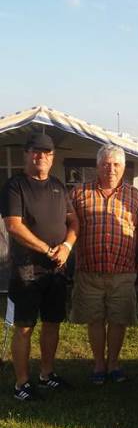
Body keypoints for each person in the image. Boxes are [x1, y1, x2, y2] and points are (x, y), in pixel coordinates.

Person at [0, 132, 79, 401]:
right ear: (26, 154)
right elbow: (14, 225)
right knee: (24, 327)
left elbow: (74, 221)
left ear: (52, 157)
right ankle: (21, 384)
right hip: (27, 269)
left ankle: (47, 374)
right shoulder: (15, 186)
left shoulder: (58, 186)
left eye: (47, 152)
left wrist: (66, 246)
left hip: (56, 269)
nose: (41, 156)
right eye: (36, 151)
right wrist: (46, 249)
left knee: (52, 323)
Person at [70, 144, 138, 384]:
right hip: (89, 271)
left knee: (118, 319)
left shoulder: (134, 195)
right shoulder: (79, 193)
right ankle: (99, 364)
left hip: (123, 271)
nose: (111, 169)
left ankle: (114, 363)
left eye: (116, 164)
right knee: (95, 319)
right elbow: (67, 225)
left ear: (124, 167)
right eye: (106, 164)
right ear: (97, 166)